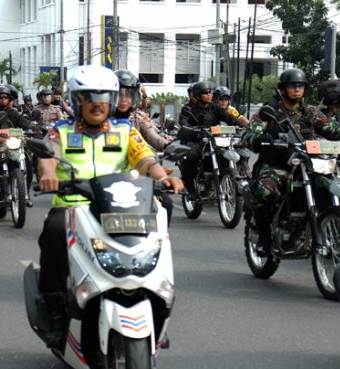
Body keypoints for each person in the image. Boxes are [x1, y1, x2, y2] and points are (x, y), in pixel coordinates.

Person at [35, 64, 183, 348]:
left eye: (103, 97)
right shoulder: (60, 130)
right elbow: (48, 154)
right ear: (77, 100)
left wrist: (164, 177)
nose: (97, 103)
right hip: (73, 205)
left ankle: (153, 304)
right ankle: (53, 311)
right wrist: (49, 174)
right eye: (89, 96)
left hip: (119, 206)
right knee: (54, 232)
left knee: (155, 234)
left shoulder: (125, 130)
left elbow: (145, 159)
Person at [243, 67, 340, 255]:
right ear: (282, 89)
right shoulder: (270, 111)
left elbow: (334, 130)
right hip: (276, 166)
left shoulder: (311, 112)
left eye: (300, 86)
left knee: (339, 181)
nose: (297, 89)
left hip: (306, 164)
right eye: (292, 86)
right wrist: (259, 138)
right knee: (265, 189)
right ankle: (264, 237)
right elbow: (249, 135)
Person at [177, 80, 246, 196]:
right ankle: (189, 185)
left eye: (211, 92)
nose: (209, 94)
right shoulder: (188, 109)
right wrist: (193, 131)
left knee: (226, 151)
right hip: (197, 140)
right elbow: (183, 123)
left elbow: (229, 118)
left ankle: (224, 176)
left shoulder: (214, 107)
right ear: (198, 95)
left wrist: (243, 125)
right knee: (191, 154)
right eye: (206, 92)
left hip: (214, 139)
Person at [114, 69, 172, 151]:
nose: (124, 100)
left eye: (128, 95)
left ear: (134, 97)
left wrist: (169, 147)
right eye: (119, 95)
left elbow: (154, 138)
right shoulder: (103, 119)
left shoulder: (137, 119)